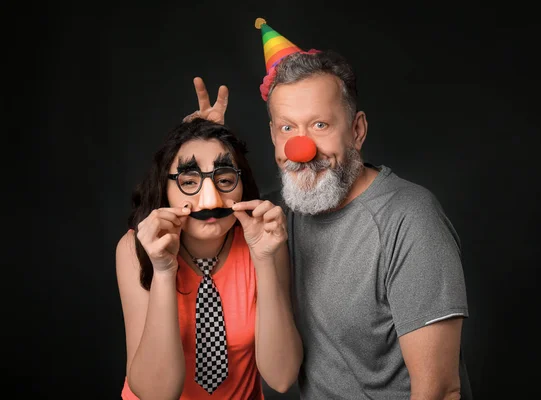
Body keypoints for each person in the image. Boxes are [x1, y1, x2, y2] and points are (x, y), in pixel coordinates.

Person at [185, 18, 471, 400]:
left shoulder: (409, 218)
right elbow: (191, 225)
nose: (302, 149)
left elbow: (439, 391)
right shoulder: (273, 215)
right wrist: (202, 149)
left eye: (320, 125)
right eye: (287, 129)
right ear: (272, 134)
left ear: (357, 130)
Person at [115, 114, 303, 400]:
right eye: (189, 182)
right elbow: (156, 394)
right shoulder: (136, 248)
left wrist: (265, 259)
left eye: (225, 179)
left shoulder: (264, 241)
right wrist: (164, 271)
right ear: (165, 189)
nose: (210, 200)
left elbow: (282, 377)